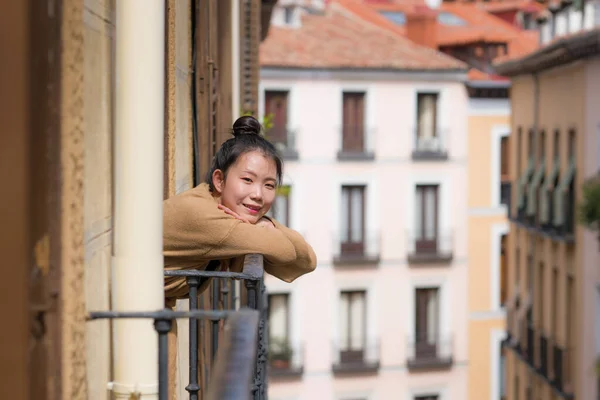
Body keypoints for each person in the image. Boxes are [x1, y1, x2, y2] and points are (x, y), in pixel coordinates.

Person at [163, 115, 317, 304]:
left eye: (269, 185)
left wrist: (265, 223)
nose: (258, 194)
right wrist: (263, 228)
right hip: (133, 309)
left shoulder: (212, 202)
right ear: (219, 180)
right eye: (247, 180)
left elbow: (307, 260)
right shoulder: (205, 216)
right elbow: (285, 251)